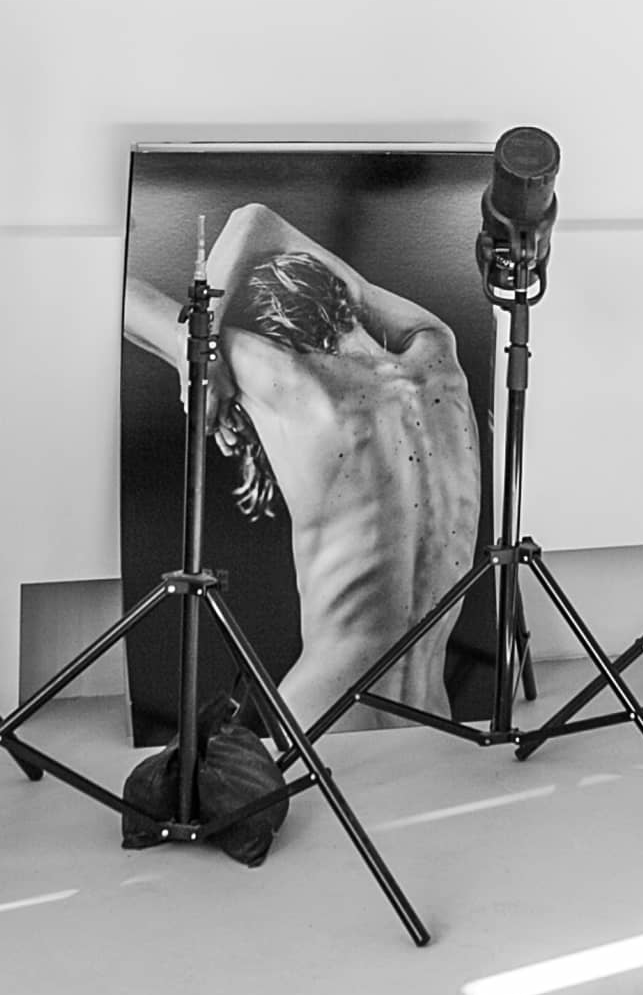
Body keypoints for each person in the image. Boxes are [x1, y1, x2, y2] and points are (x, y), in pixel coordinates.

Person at [123, 203, 483, 732]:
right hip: (433, 718)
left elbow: (118, 296)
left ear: (275, 334)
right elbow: (259, 223)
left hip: (327, 719)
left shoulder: (290, 382)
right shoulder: (440, 359)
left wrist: (198, 351)